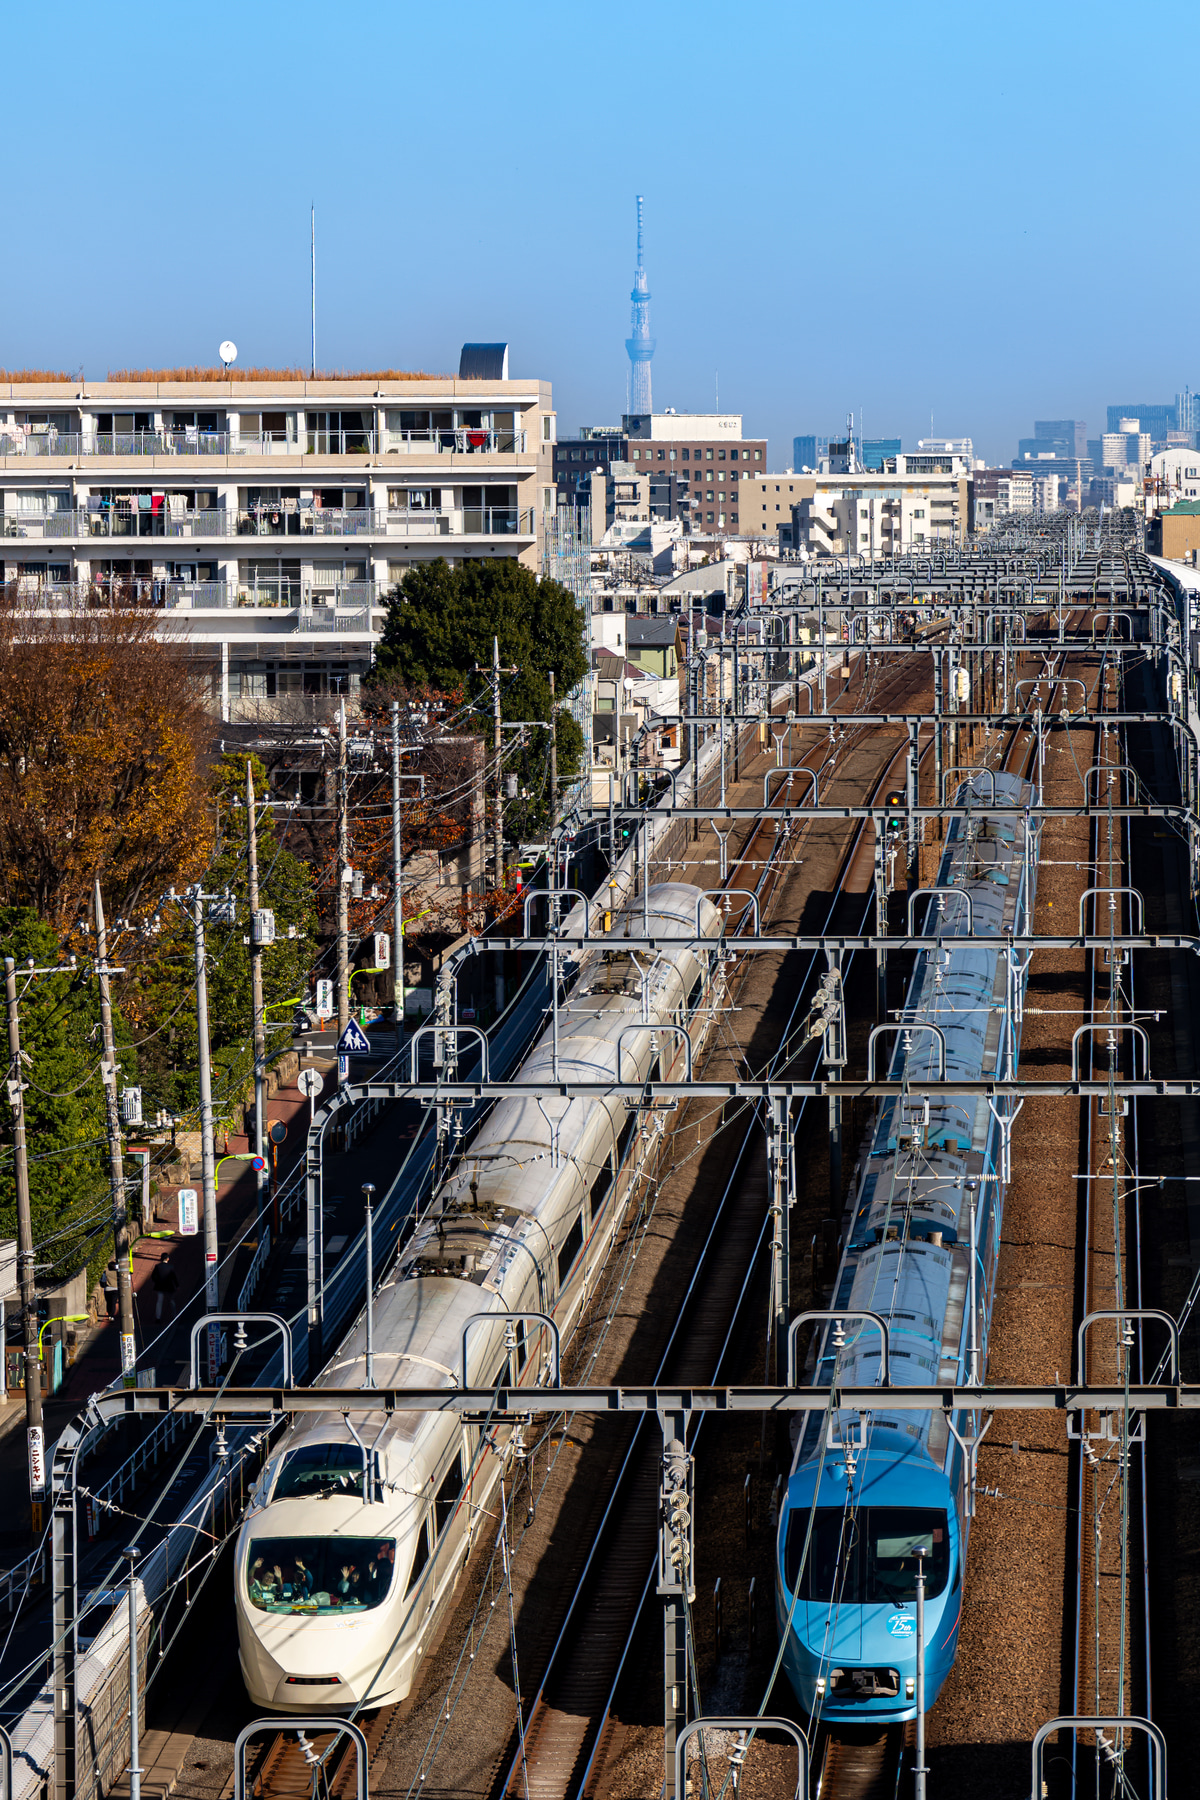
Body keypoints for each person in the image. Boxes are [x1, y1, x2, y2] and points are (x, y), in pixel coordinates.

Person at [151, 1253, 179, 1322]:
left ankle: (158, 1318)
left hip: (160, 1286)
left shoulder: (157, 1266)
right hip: (169, 1287)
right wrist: (177, 1285)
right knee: (171, 1301)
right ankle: (174, 1316)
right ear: (168, 1259)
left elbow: (153, 1276)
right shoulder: (171, 1267)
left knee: (159, 1302)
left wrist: (157, 1282)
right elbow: (174, 1277)